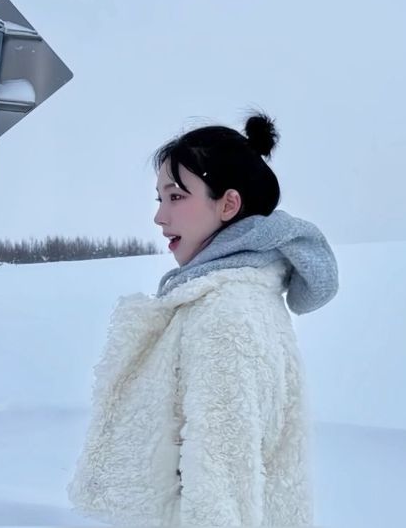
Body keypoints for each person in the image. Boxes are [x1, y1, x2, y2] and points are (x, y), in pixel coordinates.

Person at [66, 112, 339, 527]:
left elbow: (220, 482)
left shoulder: (225, 313)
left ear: (228, 204)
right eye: (159, 199)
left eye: (176, 197)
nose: (160, 217)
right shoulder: (230, 299)